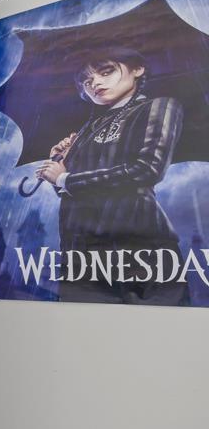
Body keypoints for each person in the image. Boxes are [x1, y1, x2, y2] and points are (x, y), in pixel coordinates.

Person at [36, 46, 186, 304]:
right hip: (80, 253)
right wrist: (61, 164)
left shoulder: (158, 107)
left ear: (137, 69)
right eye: (86, 81)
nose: (94, 82)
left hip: (138, 248)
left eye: (106, 72)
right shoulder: (87, 129)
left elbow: (147, 169)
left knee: (153, 324)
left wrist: (65, 178)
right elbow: (70, 192)